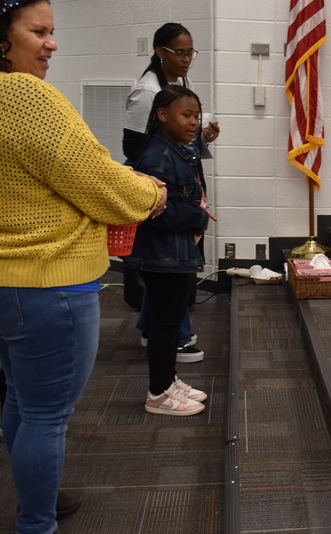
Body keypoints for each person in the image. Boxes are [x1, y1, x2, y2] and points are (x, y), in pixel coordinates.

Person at [0, 0, 167, 531]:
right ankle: (36, 522)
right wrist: (149, 194)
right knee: (45, 416)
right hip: (48, 283)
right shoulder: (26, 96)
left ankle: (36, 495)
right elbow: (95, 180)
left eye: (53, 31)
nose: (52, 43)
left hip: (6, 283)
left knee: (21, 401)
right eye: (39, 32)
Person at [123, 22, 221, 364]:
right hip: (159, 185)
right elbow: (135, 147)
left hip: (178, 173)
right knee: (170, 265)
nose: (186, 59)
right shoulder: (147, 92)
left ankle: (153, 327)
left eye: (190, 52)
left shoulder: (181, 83)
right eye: (179, 52)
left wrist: (201, 135)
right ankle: (174, 338)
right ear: (159, 52)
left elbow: (178, 132)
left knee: (169, 269)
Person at [124, 85, 215, 416]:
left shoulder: (176, 149)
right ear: (162, 115)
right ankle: (159, 393)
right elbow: (156, 210)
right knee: (165, 325)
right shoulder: (158, 157)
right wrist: (198, 215)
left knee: (172, 318)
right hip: (162, 255)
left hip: (173, 254)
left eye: (196, 116)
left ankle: (168, 380)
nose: (193, 122)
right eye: (186, 115)